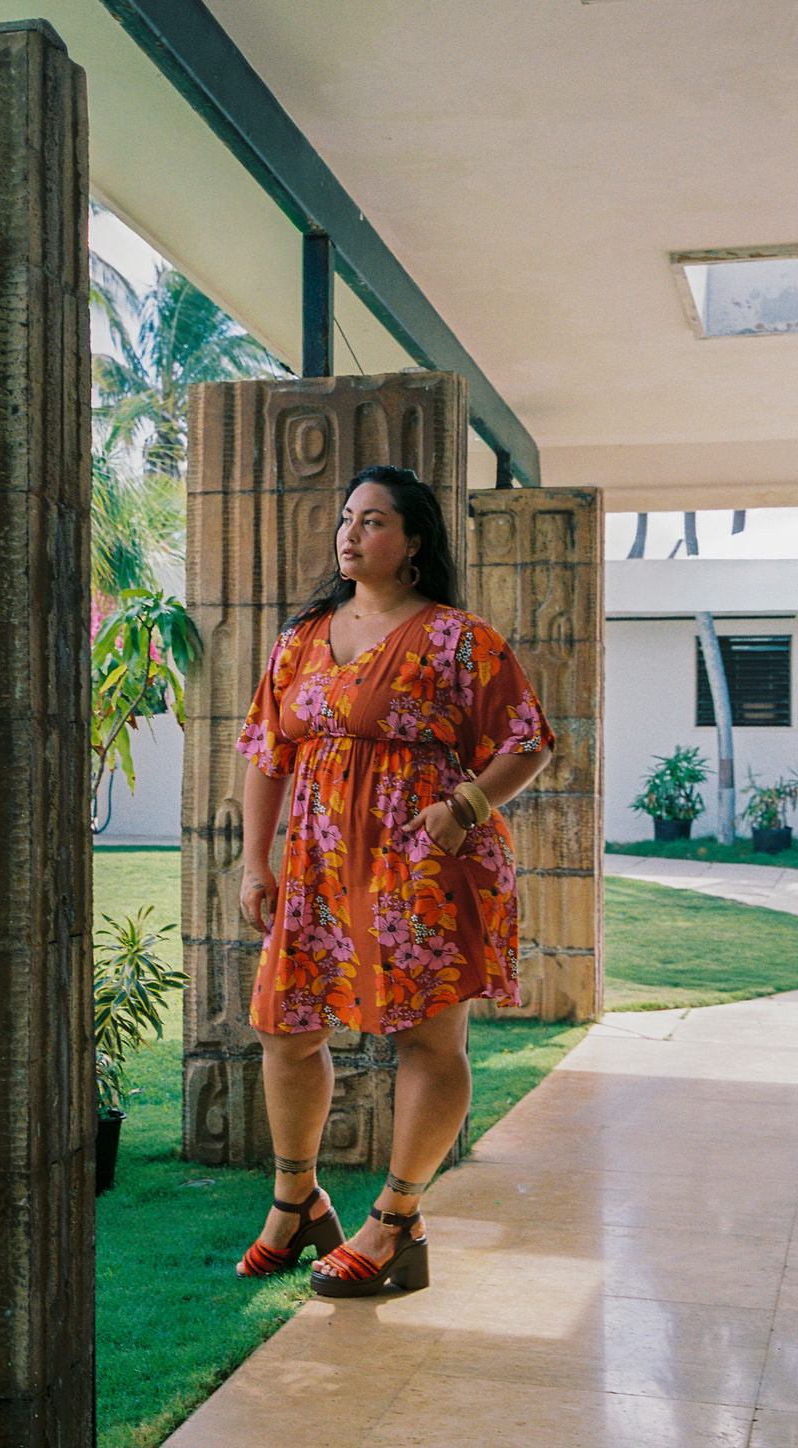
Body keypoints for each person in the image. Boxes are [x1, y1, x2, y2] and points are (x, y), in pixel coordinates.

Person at [234, 465, 553, 1297]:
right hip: (314, 868)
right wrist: (253, 859)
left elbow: (528, 739)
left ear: (413, 543)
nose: (350, 533)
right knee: (286, 1028)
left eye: (373, 520)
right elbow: (268, 752)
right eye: (346, 518)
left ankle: (396, 1219)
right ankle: (297, 1202)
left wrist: (467, 806)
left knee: (427, 1040)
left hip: (420, 865)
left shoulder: (458, 637)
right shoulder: (303, 636)